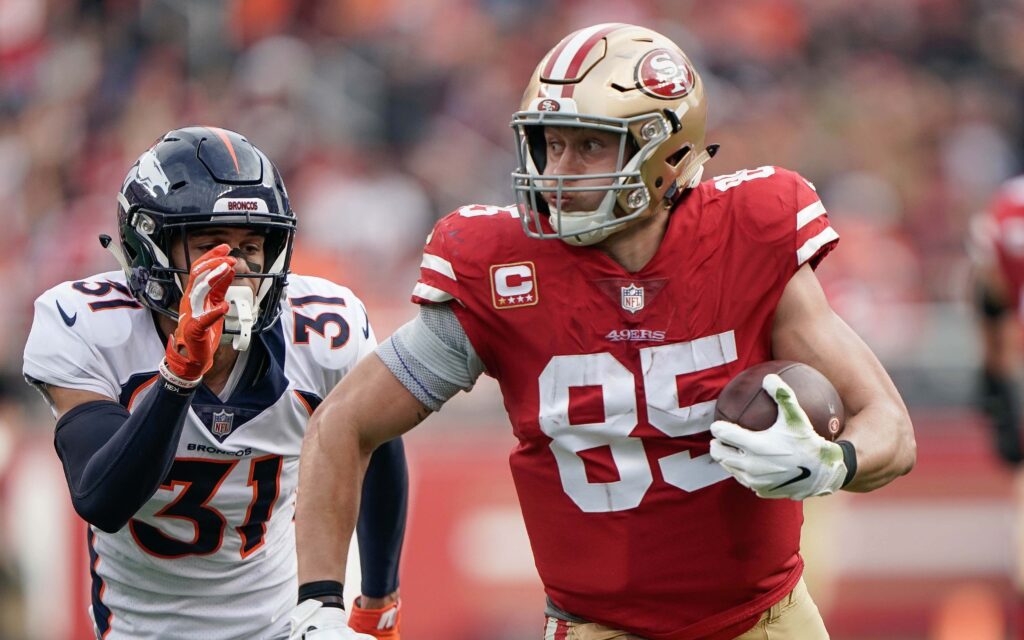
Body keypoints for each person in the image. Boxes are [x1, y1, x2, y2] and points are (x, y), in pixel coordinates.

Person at [291, 24, 916, 640]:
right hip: (599, 629)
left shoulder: (749, 234)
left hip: (767, 619)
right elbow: (345, 423)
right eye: (550, 143)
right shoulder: (504, 268)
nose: (559, 169)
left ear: (666, 153)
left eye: (589, 145)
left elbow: (888, 424)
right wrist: (320, 603)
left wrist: (832, 462)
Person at [22, 127, 407, 640]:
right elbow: (102, 499)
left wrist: (376, 601)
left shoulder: (322, 328)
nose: (240, 268)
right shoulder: (87, 323)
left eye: (253, 246)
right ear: (149, 248)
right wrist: (178, 374)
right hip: (143, 630)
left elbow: (375, 439)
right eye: (210, 245)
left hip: (280, 625)